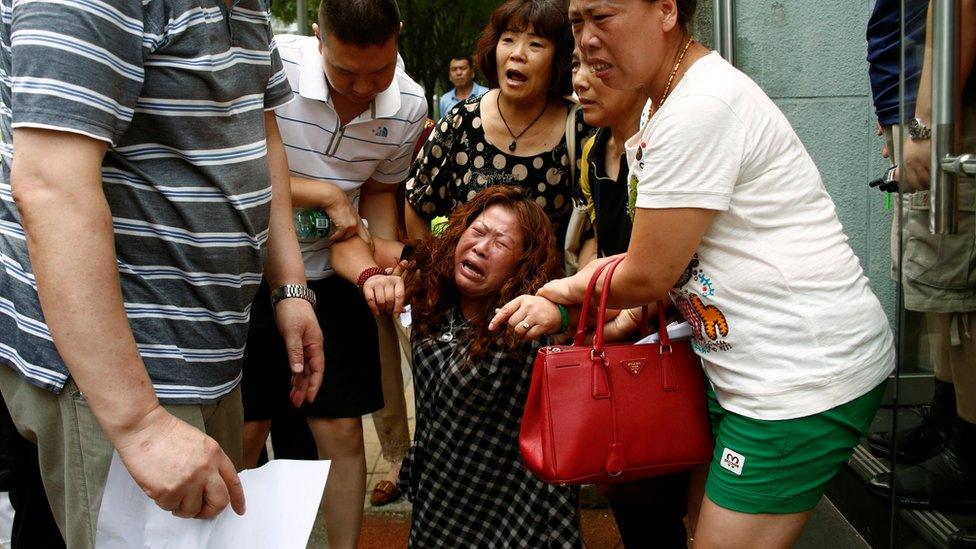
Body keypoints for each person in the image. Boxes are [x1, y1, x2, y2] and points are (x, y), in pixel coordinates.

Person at [497, 0, 896, 546]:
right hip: (747, 375)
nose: (586, 40)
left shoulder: (699, 106)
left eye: (603, 17)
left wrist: (560, 294)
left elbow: (649, 273)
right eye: (576, 22)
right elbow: (661, 258)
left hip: (798, 380)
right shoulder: (670, 104)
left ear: (665, 11)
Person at [0, 0, 324, 546]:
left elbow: (257, 127)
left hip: (210, 352)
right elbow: (53, 190)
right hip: (129, 372)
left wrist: (290, 287)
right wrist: (140, 426)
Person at [238, 1, 426, 547]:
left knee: (342, 427)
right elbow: (240, 159)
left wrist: (378, 267)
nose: (365, 87)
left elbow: (379, 194)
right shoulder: (273, 64)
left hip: (333, 275)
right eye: (346, 72)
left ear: (399, 36)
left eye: (380, 71)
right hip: (252, 275)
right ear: (318, 37)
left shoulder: (410, 103)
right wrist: (323, 192)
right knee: (248, 426)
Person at [398, 186, 579, 548]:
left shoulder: (527, 327)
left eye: (501, 243)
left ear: (521, 266)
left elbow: (611, 311)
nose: (481, 247)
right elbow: (360, 241)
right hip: (439, 497)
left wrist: (562, 315)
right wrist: (373, 275)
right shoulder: (434, 299)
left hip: (512, 506)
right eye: (478, 232)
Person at [565, 49, 690, 548]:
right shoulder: (593, 150)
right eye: (575, 67)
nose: (581, 83)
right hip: (623, 338)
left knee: (682, 490)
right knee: (632, 492)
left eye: (597, 69)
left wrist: (620, 310)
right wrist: (595, 301)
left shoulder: (664, 144)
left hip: (681, 335)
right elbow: (598, 237)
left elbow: (673, 260)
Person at [866, 0, 976, 519]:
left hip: (944, 118)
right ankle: (947, 418)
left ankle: (969, 456)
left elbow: (955, 12)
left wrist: (927, 124)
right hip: (920, 113)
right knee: (932, 280)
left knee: (958, 290)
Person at [405, 0, 589, 240]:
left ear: (559, 60)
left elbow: (594, 231)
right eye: (508, 40)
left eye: (535, 44)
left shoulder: (580, 127)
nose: (517, 54)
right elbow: (417, 201)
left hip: (553, 278)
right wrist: (431, 270)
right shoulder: (461, 120)